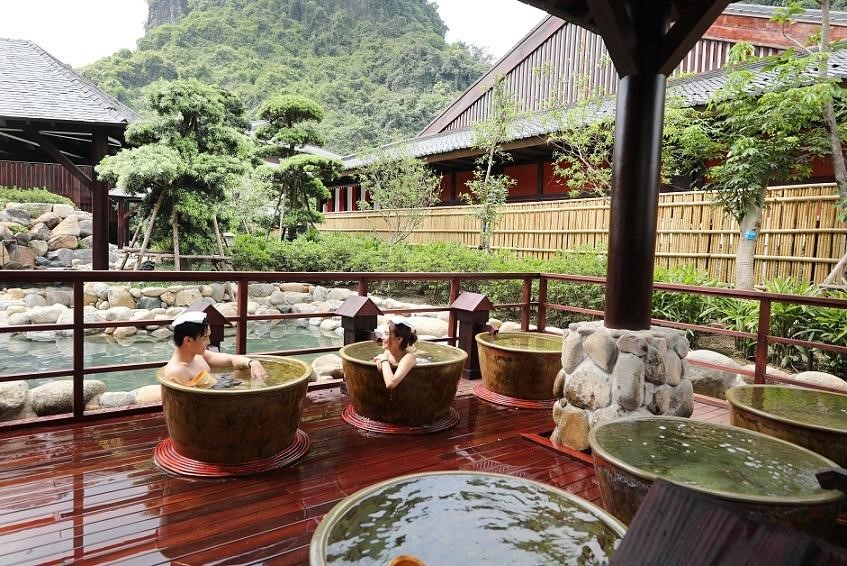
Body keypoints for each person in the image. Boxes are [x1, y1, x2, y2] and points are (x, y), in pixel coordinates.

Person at [162, 311, 269, 386]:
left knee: (248, 369)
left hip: (218, 385)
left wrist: (252, 363)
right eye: (205, 338)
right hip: (209, 403)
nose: (209, 342)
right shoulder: (177, 372)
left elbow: (231, 359)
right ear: (188, 340)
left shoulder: (199, 355)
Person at [372, 317, 418, 390]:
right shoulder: (388, 352)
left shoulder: (409, 358)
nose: (382, 337)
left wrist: (383, 358)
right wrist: (378, 359)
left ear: (399, 339)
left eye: (386, 334)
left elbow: (390, 384)